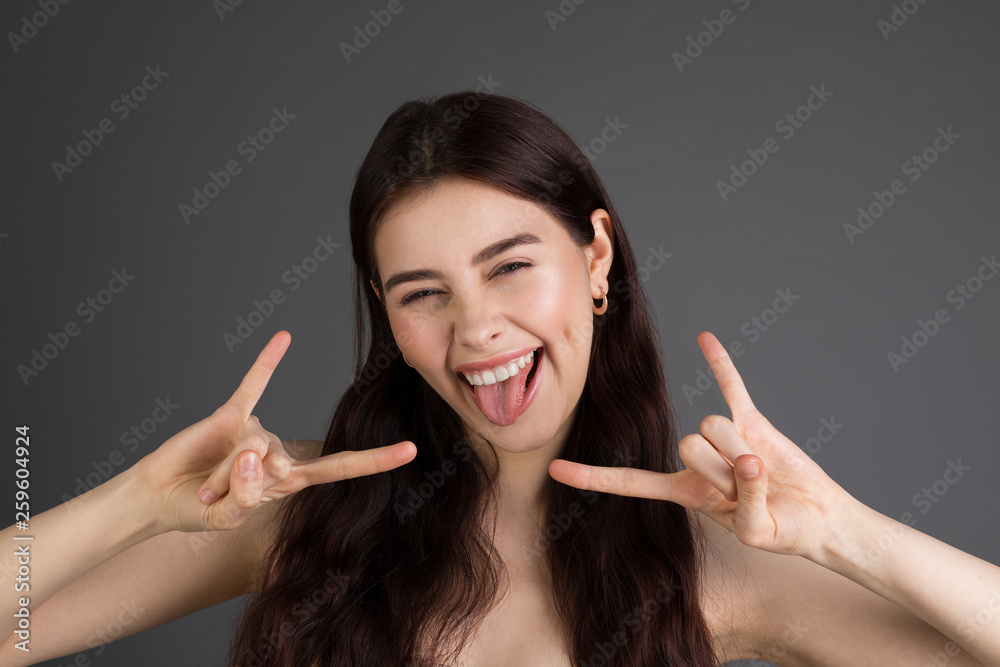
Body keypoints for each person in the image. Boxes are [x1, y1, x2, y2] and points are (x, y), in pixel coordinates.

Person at [2, 91, 998, 667]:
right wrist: (139, 501)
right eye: (420, 291)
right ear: (386, 313)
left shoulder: (711, 557)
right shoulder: (299, 509)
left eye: (510, 264)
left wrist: (847, 535)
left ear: (596, 259)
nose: (477, 328)